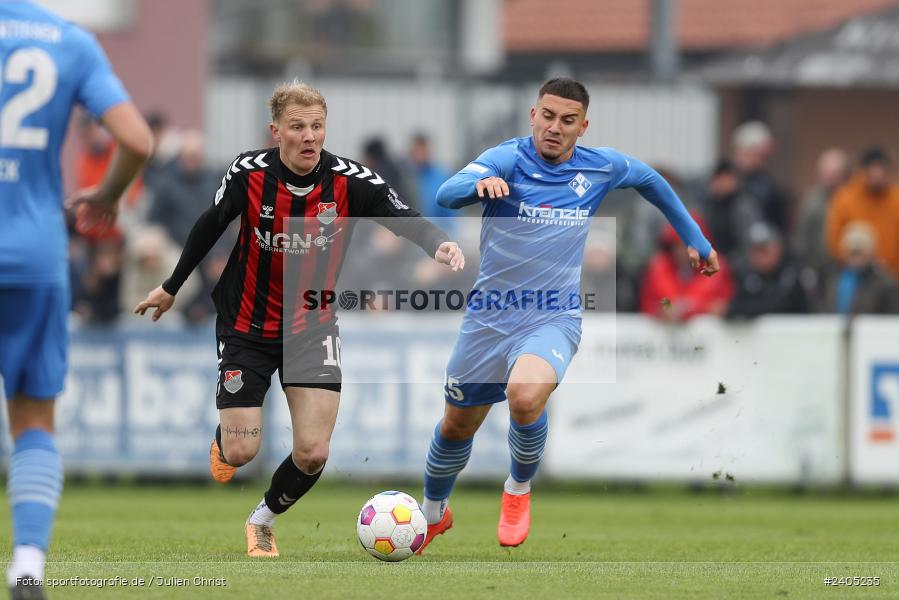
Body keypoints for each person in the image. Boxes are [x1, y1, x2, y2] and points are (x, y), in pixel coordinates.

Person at [133, 81, 464, 558]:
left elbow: (403, 216)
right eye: (297, 127)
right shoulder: (248, 173)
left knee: (313, 453)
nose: (309, 136)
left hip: (312, 329)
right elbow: (210, 224)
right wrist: (171, 286)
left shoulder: (350, 181)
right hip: (245, 324)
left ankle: (262, 520)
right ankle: (226, 441)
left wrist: (439, 243)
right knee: (242, 451)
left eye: (317, 126)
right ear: (276, 132)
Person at [416, 78, 719, 554]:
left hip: (552, 316)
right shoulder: (506, 159)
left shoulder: (599, 167)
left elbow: (652, 181)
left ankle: (517, 489)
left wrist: (694, 238)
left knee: (524, 396)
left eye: (567, 120)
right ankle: (434, 513)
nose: (555, 128)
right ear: (533, 115)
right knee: (456, 425)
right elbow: (447, 194)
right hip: (489, 318)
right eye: (548, 116)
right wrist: (478, 185)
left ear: (583, 126)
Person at [0, 3, 152, 598]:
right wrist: (108, 196)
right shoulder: (70, 41)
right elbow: (137, 140)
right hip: (36, 255)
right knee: (34, 421)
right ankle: (29, 567)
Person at [826, 147, 899, 280]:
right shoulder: (846, 199)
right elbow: (835, 241)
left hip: (893, 278)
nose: (877, 175)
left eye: (881, 170)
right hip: (856, 279)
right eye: (872, 170)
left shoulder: (896, 199)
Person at [640, 220, 733, 322]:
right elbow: (656, 301)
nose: (681, 251)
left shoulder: (715, 266)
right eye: (676, 245)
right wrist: (667, 308)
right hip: (668, 333)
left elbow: (721, 304)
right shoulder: (659, 267)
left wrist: (690, 308)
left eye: (686, 245)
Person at [726, 222, 807, 319]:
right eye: (754, 251)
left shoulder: (794, 274)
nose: (759, 256)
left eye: (764, 250)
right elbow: (739, 301)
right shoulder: (748, 277)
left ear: (778, 248)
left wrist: (733, 309)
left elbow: (779, 306)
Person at [816, 222, 899, 315]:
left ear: (870, 254)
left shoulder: (885, 283)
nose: (856, 258)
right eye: (852, 253)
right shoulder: (831, 276)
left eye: (860, 253)